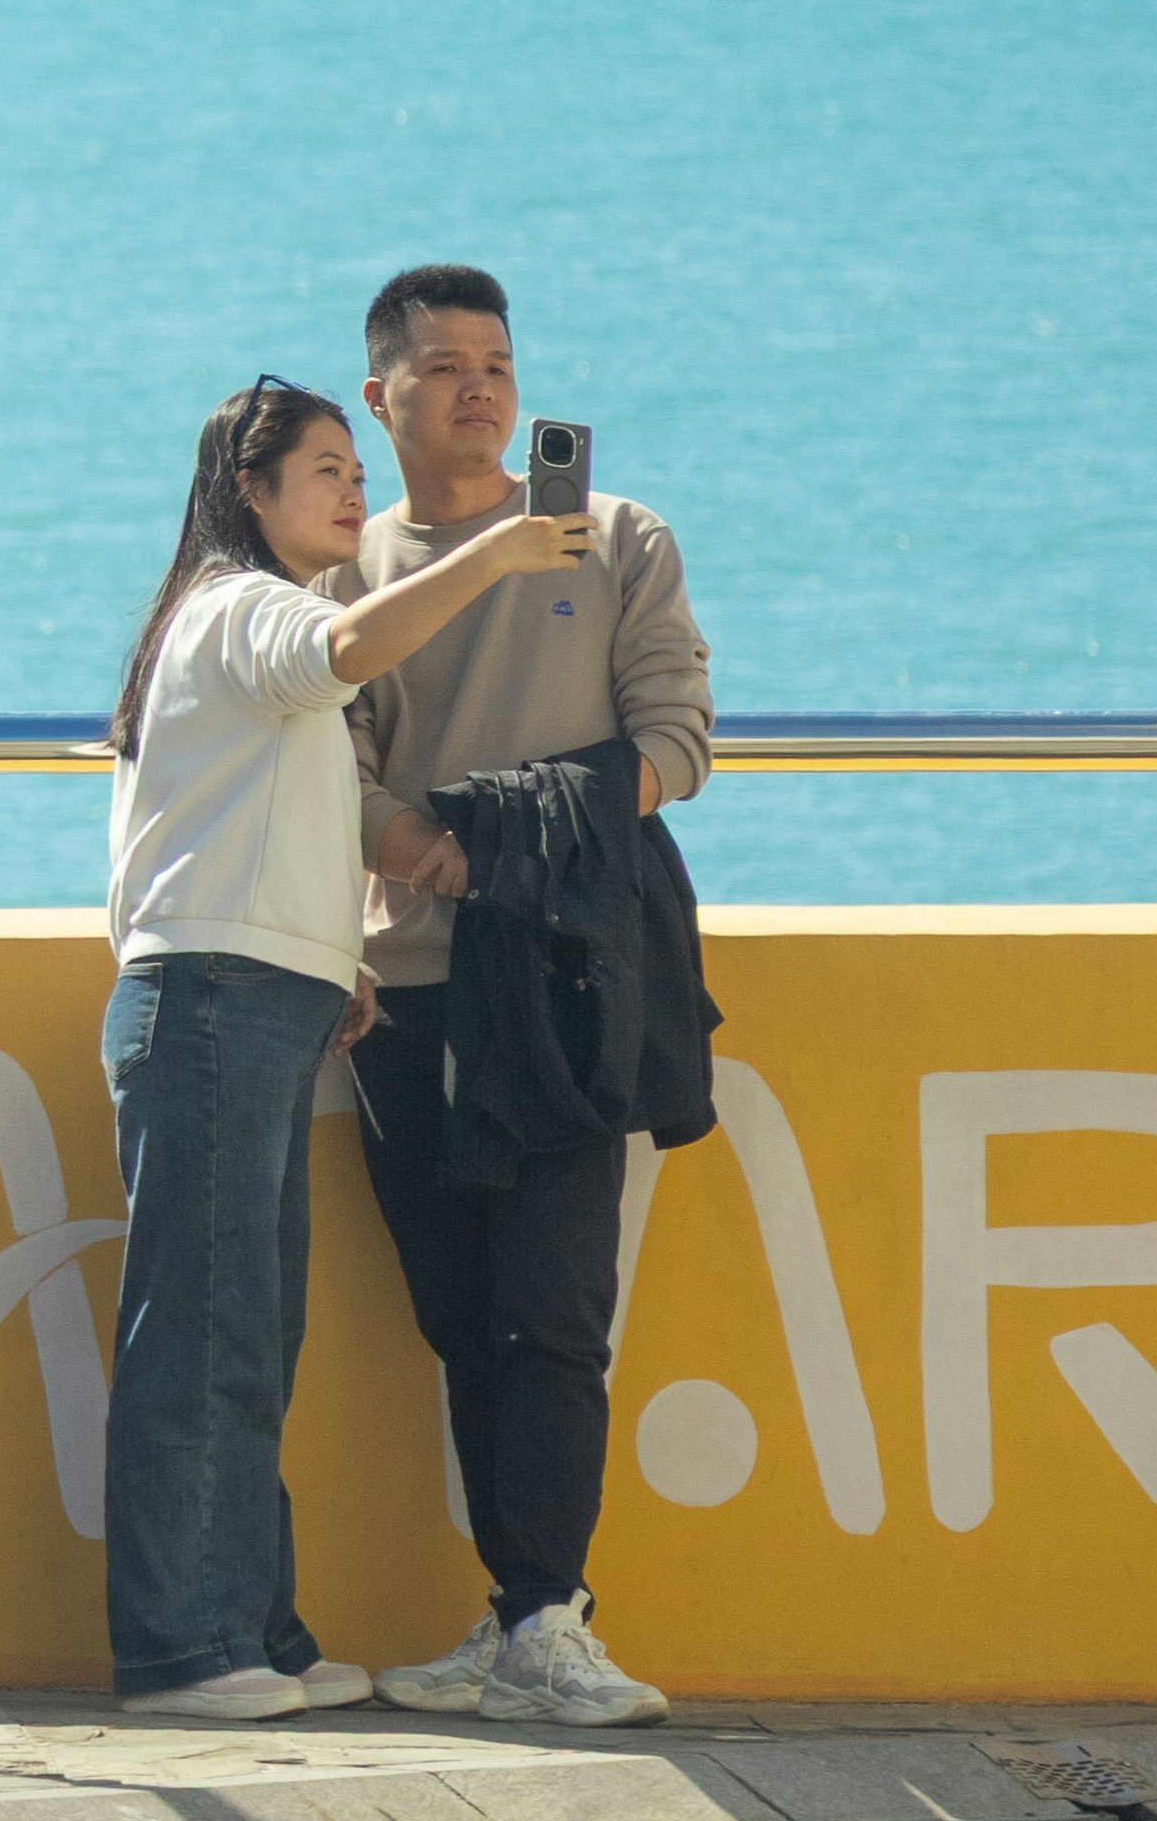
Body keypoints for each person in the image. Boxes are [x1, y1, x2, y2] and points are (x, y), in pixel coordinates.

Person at [99, 376, 587, 1720]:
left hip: (256, 993)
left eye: (354, 469)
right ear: (246, 489)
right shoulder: (242, 606)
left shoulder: (234, 618)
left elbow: (237, 823)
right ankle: (184, 1648)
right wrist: (501, 551)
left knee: (251, 1329)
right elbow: (351, 648)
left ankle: (255, 1629)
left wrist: (331, 957)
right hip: (210, 1000)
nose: (354, 487)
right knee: (204, 1333)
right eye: (325, 468)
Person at [330, 263, 710, 1728]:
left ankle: (553, 1617)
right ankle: (512, 1620)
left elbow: (675, 741)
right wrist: (427, 854)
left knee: (553, 1311)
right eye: (441, 367)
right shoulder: (345, 572)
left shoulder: (617, 537)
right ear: (382, 396)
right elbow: (339, 768)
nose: (477, 388)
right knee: (460, 1314)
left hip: (567, 978)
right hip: (409, 985)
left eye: (494, 361)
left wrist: (511, 847)